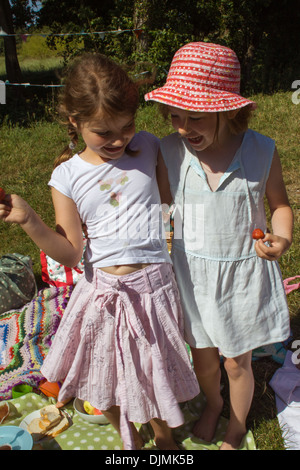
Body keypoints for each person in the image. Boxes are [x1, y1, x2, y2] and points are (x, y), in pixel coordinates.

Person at [0, 53, 200, 450]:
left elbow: (166, 208)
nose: (118, 140)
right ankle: (130, 439)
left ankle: (163, 436)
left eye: (126, 127)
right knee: (103, 372)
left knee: (149, 369)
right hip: (102, 293)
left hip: (154, 288)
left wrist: (171, 250)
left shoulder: (149, 147)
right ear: (74, 121)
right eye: (103, 132)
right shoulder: (67, 176)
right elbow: (71, 254)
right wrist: (27, 219)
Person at [145, 42, 293, 450]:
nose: (182, 126)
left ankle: (237, 423)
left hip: (241, 275)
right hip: (191, 273)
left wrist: (281, 238)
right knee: (205, 360)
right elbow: (163, 209)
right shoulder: (168, 152)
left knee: (236, 361)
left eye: (194, 116)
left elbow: (279, 204)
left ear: (228, 110)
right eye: (174, 115)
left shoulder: (261, 151)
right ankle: (213, 403)